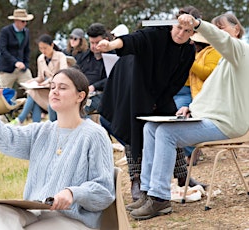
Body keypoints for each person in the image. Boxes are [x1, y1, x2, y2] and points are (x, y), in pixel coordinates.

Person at [126, 12, 248, 220]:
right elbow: (210, 94)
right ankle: (147, 192)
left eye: (222, 28)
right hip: (212, 119)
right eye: (215, 28)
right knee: (150, 128)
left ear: (236, 30)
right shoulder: (224, 60)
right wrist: (190, 109)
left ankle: (160, 198)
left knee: (165, 133)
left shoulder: (242, 51)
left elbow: (221, 40)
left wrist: (198, 24)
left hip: (228, 124)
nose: (218, 33)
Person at [0, 68, 115, 229]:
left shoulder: (94, 134)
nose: (55, 91)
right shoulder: (41, 131)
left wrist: (73, 193)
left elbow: (104, 191)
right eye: (52, 87)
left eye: (62, 88)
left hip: (72, 221)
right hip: (35, 213)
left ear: (80, 96)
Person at [97, 6, 206, 201]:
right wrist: (111, 46)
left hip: (160, 90)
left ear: (194, 33)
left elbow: (177, 81)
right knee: (133, 128)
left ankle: (182, 175)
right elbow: (134, 39)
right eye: (178, 27)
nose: (181, 33)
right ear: (173, 23)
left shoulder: (188, 51)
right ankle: (136, 179)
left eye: (187, 31)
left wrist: (158, 101)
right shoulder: (156, 33)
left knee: (170, 122)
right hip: (132, 81)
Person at [174, 31, 222, 165]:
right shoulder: (193, 52)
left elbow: (208, 73)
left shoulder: (212, 52)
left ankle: (191, 151)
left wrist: (189, 61)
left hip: (193, 92)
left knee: (178, 115)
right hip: (178, 90)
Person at [11, 34, 68, 125]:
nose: (43, 51)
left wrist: (48, 81)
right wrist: (32, 81)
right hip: (44, 89)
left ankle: (22, 120)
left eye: (45, 48)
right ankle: (34, 124)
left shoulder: (60, 56)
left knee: (32, 94)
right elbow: (40, 77)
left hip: (56, 90)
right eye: (41, 48)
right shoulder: (40, 58)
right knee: (32, 93)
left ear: (52, 45)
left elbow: (63, 73)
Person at [76, 23, 112, 115]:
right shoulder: (85, 56)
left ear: (106, 40)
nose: (94, 46)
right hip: (83, 92)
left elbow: (113, 78)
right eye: (92, 43)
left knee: (81, 110)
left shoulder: (112, 56)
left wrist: (94, 86)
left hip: (103, 94)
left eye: (97, 43)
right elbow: (76, 69)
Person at [0, 8, 34, 89]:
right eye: (23, 21)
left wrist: (26, 64)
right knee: (7, 95)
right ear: (16, 21)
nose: (25, 23)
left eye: (26, 21)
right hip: (7, 69)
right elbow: (3, 49)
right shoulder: (5, 31)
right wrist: (15, 62)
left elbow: (26, 50)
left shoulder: (26, 32)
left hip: (22, 69)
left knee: (32, 90)